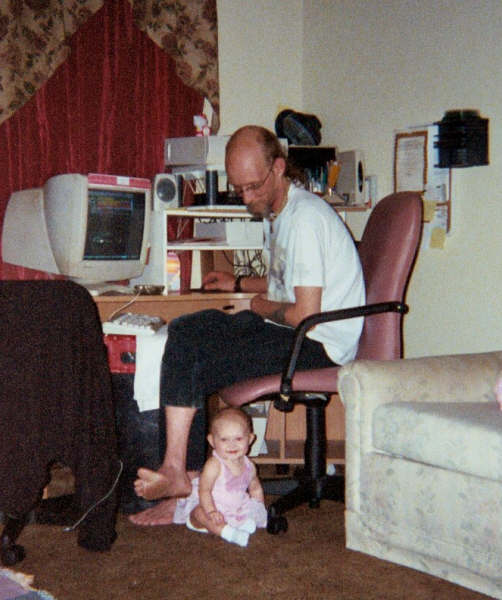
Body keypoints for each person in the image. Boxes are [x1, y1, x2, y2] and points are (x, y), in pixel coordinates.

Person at [129, 125, 365, 526]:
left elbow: (303, 312)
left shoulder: (305, 219)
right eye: (238, 189)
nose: (247, 197)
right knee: (187, 331)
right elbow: (286, 283)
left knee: (196, 356)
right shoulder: (281, 210)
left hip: (318, 343)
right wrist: (238, 283)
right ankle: (183, 480)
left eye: (253, 187)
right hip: (298, 332)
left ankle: (180, 478)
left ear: (278, 168)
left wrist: (257, 305)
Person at [173, 407, 267, 547]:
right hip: (209, 506)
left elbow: (255, 489)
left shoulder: (249, 466)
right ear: (212, 441)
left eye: (238, 439)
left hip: (236, 509)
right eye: (224, 439)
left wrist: (259, 510)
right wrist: (211, 511)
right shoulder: (214, 465)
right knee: (198, 513)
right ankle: (228, 532)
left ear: (250, 439)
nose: (232, 445)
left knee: (249, 510)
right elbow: (204, 491)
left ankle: (239, 523)